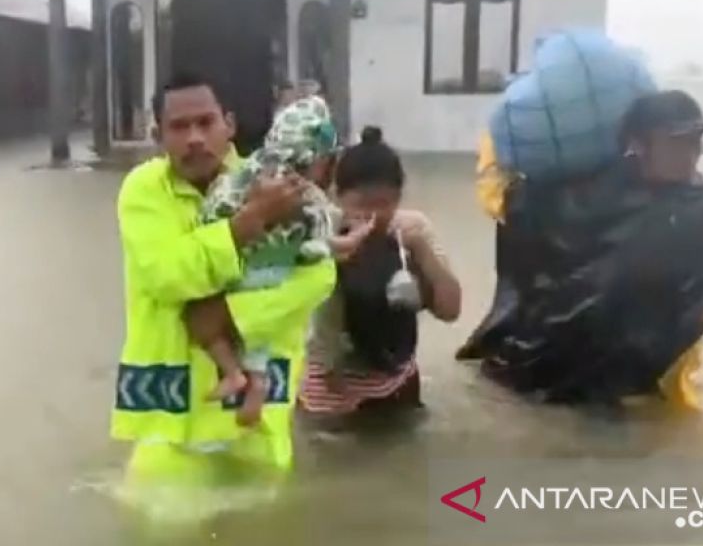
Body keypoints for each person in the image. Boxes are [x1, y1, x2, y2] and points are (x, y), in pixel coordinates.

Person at [112, 71, 340, 506]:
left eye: (206, 122)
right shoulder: (142, 191)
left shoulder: (273, 181)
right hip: (173, 424)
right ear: (158, 135)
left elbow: (318, 273)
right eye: (179, 127)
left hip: (257, 421)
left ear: (229, 125)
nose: (195, 138)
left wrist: (232, 317)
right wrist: (246, 224)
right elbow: (166, 274)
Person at [458, 90, 703, 408]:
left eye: (695, 142)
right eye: (677, 142)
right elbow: (520, 221)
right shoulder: (582, 195)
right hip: (557, 361)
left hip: (645, 369)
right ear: (638, 144)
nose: (690, 153)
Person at [185, 95, 372, 427]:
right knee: (258, 342)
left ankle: (233, 375)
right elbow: (319, 241)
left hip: (242, 269)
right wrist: (336, 243)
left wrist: (209, 230)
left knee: (204, 322)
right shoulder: (307, 194)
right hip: (274, 273)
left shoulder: (250, 174)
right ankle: (250, 384)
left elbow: (218, 205)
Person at [300, 126, 463, 417]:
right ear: (337, 196)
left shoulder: (413, 230)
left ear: (399, 198)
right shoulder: (321, 232)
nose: (373, 217)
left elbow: (451, 310)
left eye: (385, 205)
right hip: (327, 381)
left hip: (394, 376)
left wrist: (422, 250)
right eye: (362, 206)